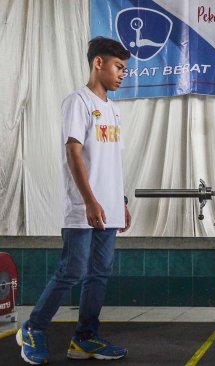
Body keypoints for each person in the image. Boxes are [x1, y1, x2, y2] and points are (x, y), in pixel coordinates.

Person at [16, 37, 131, 365]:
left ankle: (84, 338)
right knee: (73, 270)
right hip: (84, 208)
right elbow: (73, 152)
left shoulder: (114, 111)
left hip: (108, 209)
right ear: (99, 63)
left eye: (125, 69)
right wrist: (91, 201)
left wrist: (119, 201)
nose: (123, 74)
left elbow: (110, 163)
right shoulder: (77, 102)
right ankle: (34, 327)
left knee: (99, 274)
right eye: (118, 67)